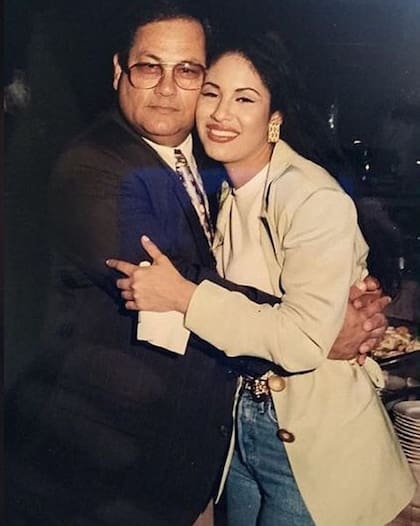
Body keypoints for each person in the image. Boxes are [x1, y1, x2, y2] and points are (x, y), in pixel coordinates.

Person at [6, 3, 388, 525]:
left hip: (208, 446)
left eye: (188, 72)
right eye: (149, 67)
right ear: (118, 71)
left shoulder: (215, 159)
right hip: (107, 452)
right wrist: (316, 327)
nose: (167, 88)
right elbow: (182, 283)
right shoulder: (93, 167)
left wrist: (338, 286)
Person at [107, 31, 416, 526]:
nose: (220, 113)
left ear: (274, 119)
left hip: (314, 442)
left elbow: (300, 341)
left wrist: (185, 298)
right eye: (212, 93)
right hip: (240, 431)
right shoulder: (225, 193)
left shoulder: (310, 197)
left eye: (244, 99)